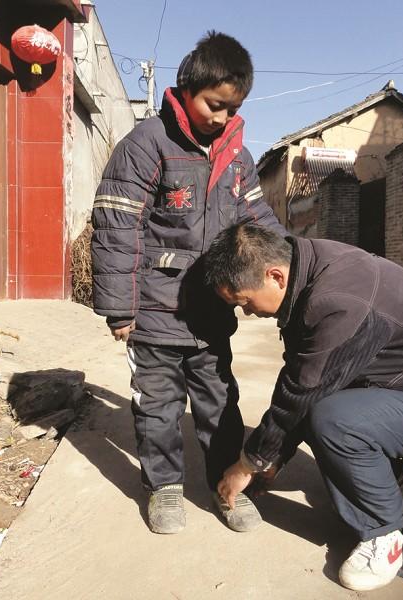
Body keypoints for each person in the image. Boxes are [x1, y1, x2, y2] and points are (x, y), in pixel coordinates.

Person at [204, 223, 403, 591]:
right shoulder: (307, 266)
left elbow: (302, 393)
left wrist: (248, 463)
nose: (247, 312)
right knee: (322, 405)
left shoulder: (336, 301)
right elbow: (301, 374)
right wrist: (274, 456)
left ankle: (388, 533)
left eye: (244, 301)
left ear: (274, 275)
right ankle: (393, 490)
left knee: (332, 420)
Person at [91, 32, 285, 535]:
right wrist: (119, 308)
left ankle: (227, 484)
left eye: (232, 108)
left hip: (210, 314)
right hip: (154, 313)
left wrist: (293, 262)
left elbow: (258, 219)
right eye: (214, 105)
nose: (221, 118)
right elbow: (117, 225)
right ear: (186, 87)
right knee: (157, 408)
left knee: (220, 406)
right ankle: (164, 488)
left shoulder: (237, 159)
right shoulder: (146, 146)